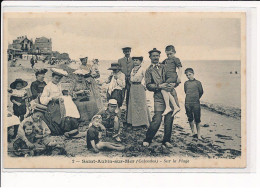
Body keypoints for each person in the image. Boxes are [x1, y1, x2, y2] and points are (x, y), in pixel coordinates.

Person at [143, 48, 175, 148]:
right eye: (154, 56)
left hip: (170, 94)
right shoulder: (148, 71)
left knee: (169, 118)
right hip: (158, 96)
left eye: (157, 55)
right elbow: (148, 85)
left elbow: (174, 78)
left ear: (159, 56)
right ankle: (148, 139)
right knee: (157, 118)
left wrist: (173, 84)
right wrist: (159, 86)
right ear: (150, 57)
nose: (156, 57)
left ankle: (166, 140)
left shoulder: (165, 67)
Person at [40, 68, 79, 135]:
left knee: (69, 107)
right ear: (52, 77)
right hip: (52, 104)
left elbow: (60, 94)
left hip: (60, 102)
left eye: (59, 79)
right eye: (56, 78)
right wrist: (51, 98)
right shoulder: (48, 87)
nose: (57, 80)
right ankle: (65, 129)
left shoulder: (58, 85)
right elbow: (43, 99)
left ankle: (70, 127)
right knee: (60, 111)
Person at [127, 56, 151, 130]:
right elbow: (131, 78)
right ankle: (134, 123)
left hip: (139, 87)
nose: (135, 62)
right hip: (133, 87)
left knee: (141, 104)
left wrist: (144, 85)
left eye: (137, 60)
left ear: (141, 61)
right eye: (134, 60)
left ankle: (143, 123)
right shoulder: (133, 69)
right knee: (133, 104)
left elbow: (146, 78)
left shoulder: (142, 69)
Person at [161, 45, 182, 116]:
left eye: (171, 54)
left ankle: (168, 107)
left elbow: (180, 68)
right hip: (167, 78)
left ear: (174, 52)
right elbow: (160, 65)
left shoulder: (176, 59)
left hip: (173, 77)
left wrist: (179, 77)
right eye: (167, 54)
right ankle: (175, 107)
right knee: (166, 91)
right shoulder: (166, 60)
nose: (169, 55)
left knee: (163, 89)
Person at [184, 68, 204, 140]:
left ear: (193, 73)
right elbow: (186, 91)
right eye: (187, 75)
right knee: (190, 118)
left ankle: (199, 135)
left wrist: (196, 98)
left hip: (196, 103)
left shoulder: (198, 83)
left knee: (197, 119)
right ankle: (193, 132)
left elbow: (201, 92)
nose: (188, 76)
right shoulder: (186, 83)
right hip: (187, 102)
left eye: (190, 74)